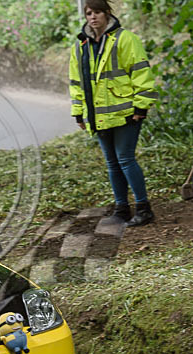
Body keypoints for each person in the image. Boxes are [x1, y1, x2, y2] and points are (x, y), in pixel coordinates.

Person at [69, 0, 158, 226]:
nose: (93, 17)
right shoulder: (80, 46)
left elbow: (141, 73)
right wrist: (79, 113)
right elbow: (76, 83)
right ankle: (121, 209)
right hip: (99, 116)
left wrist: (141, 106)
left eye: (97, 12)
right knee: (112, 163)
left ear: (107, 13)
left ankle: (143, 208)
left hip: (127, 113)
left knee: (125, 159)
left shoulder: (126, 39)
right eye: (89, 13)